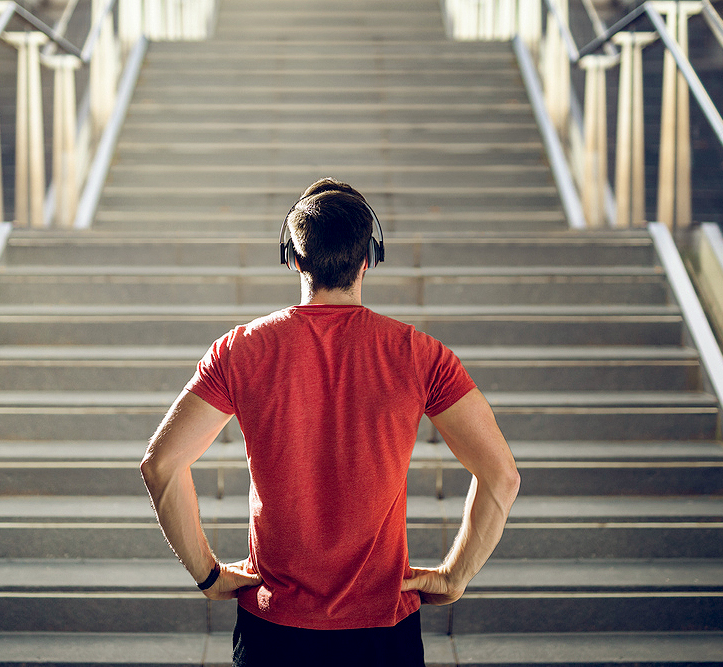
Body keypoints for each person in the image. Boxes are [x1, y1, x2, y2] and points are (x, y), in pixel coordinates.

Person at [140, 178, 520, 666]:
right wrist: (454, 576)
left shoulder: (241, 350)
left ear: (293, 258)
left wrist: (209, 576)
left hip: (275, 629)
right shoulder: (420, 355)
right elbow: (502, 476)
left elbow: (161, 465)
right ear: (370, 258)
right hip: (384, 631)